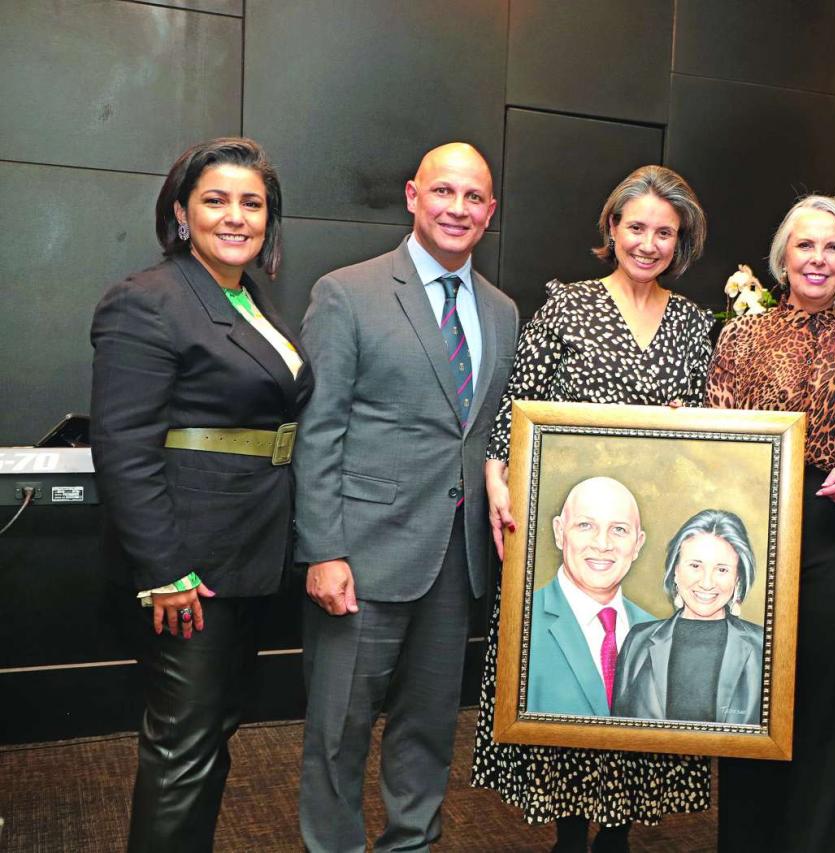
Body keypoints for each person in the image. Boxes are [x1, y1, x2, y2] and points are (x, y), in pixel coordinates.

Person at [473, 165, 713, 853]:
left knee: (637, 673)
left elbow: (715, 442)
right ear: (612, 228)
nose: (648, 242)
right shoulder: (567, 308)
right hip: (570, 537)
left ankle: (617, 833)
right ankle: (570, 831)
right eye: (636, 226)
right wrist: (496, 478)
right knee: (571, 671)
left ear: (681, 241)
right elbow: (513, 414)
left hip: (649, 537)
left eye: (664, 232)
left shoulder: (697, 325)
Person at [292, 142, 519, 852]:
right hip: (362, 554)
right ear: (413, 196)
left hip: (458, 559)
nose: (458, 208)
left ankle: (411, 844)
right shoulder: (347, 291)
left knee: (427, 730)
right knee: (339, 731)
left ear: (490, 213)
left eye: (473, 198)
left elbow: (484, 431)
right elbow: (318, 431)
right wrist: (323, 550)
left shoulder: (503, 310)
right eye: (444, 192)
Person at [90, 137, 311, 852]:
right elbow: (122, 447)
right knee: (183, 746)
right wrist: (163, 571)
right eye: (216, 200)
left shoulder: (249, 301)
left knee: (209, 734)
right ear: (182, 212)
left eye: (252, 203)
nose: (236, 216)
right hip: (187, 566)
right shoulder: (147, 300)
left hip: (248, 551)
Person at [707, 194, 835, 852]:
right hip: (751, 531)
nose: (818, 258)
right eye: (806, 245)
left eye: (833, 246)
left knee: (822, 713)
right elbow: (718, 436)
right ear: (783, 257)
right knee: (745, 705)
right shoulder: (740, 335)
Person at [612, 509, 763, 725]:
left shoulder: (763, 647)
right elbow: (618, 730)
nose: (707, 583)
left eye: (721, 570)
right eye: (695, 566)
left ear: (737, 577)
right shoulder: (637, 641)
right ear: (675, 571)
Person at [527, 476, 656, 715]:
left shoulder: (659, 634)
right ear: (559, 531)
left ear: (637, 544)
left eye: (619, 529)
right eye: (585, 525)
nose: (602, 544)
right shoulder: (521, 622)